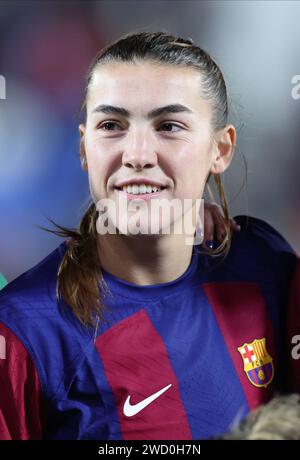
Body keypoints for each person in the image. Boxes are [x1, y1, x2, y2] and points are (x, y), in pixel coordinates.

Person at [0, 31, 297, 440]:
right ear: (84, 148)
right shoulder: (22, 331)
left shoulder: (264, 264)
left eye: (169, 125)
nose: (137, 154)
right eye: (112, 125)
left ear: (221, 150)